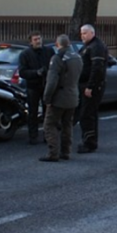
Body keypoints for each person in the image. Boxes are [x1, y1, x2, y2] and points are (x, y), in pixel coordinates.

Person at [39, 34, 83, 162]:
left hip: (59, 97)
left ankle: (53, 153)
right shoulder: (77, 56)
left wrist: (47, 98)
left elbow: (52, 81)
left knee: (49, 125)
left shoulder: (58, 58)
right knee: (67, 124)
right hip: (73, 95)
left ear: (57, 45)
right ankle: (66, 151)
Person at [18, 31, 55, 145]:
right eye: (35, 39)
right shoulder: (25, 54)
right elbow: (22, 72)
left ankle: (47, 135)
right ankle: (33, 136)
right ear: (30, 42)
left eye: (39, 39)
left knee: (48, 112)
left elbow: (54, 66)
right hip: (33, 86)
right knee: (32, 112)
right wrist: (36, 73)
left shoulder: (48, 51)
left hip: (46, 85)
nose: (38, 41)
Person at [77, 24, 108, 153]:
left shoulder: (96, 47)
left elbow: (97, 69)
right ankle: (89, 141)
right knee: (88, 114)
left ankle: (89, 143)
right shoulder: (88, 46)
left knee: (87, 115)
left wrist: (90, 86)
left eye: (85, 33)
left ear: (92, 33)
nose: (82, 36)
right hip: (85, 84)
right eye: (81, 33)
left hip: (91, 86)